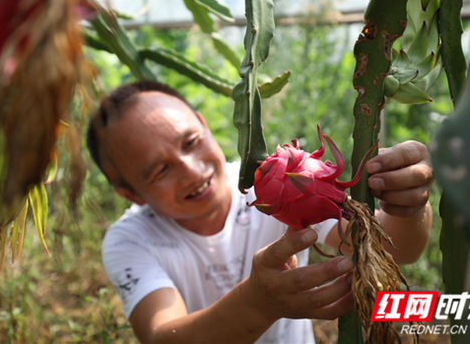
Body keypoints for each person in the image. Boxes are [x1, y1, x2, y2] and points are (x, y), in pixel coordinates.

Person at [86, 81, 433, 344]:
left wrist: (408, 205)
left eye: (191, 142)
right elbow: (161, 335)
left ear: (204, 124)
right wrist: (258, 304)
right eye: (159, 170)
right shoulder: (130, 240)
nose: (191, 170)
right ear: (129, 193)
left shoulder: (277, 183)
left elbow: (393, 248)